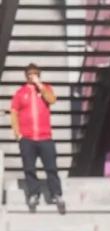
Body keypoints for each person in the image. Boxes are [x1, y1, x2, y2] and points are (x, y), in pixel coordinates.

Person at [9, 63, 64, 213]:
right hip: (27, 138)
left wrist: (39, 85)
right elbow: (14, 113)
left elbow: (52, 100)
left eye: (35, 74)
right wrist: (18, 134)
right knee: (29, 168)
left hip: (45, 137)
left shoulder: (46, 88)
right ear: (26, 76)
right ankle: (33, 194)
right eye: (30, 74)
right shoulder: (20, 93)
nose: (32, 76)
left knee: (51, 168)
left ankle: (56, 194)